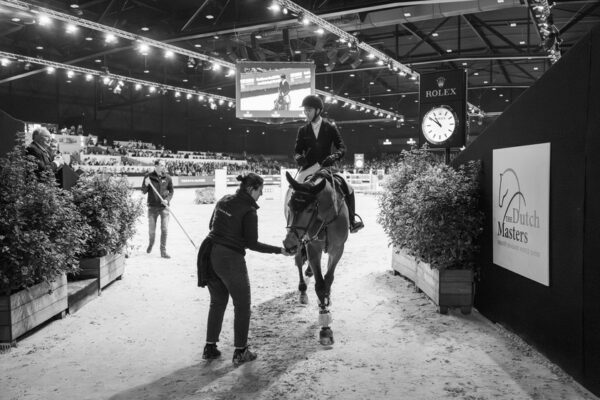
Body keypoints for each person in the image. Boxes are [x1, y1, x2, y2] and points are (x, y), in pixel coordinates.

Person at [201, 172, 292, 365]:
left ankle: (210, 347)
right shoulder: (250, 210)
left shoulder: (224, 199)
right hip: (230, 260)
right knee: (242, 305)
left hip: (210, 255)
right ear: (251, 189)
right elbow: (252, 244)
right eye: (260, 191)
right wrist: (280, 250)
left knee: (217, 302)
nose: (260, 195)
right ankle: (241, 351)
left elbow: (211, 225)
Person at [293, 94, 364, 233]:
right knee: (295, 188)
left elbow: (342, 147)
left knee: (349, 188)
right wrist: (298, 157)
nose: (306, 113)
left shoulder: (329, 127)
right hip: (309, 167)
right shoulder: (303, 130)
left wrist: (335, 156)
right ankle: (293, 222)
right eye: (305, 110)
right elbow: (297, 151)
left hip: (328, 166)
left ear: (318, 110)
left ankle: (352, 220)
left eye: (308, 110)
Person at [141, 160, 174, 259]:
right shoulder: (148, 176)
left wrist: (167, 200)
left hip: (164, 208)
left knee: (164, 230)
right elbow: (143, 191)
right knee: (152, 231)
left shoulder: (167, 177)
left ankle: (163, 251)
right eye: (161, 165)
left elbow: (171, 191)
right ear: (156, 166)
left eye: (164, 165)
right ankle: (151, 243)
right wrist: (146, 185)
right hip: (152, 208)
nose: (163, 167)